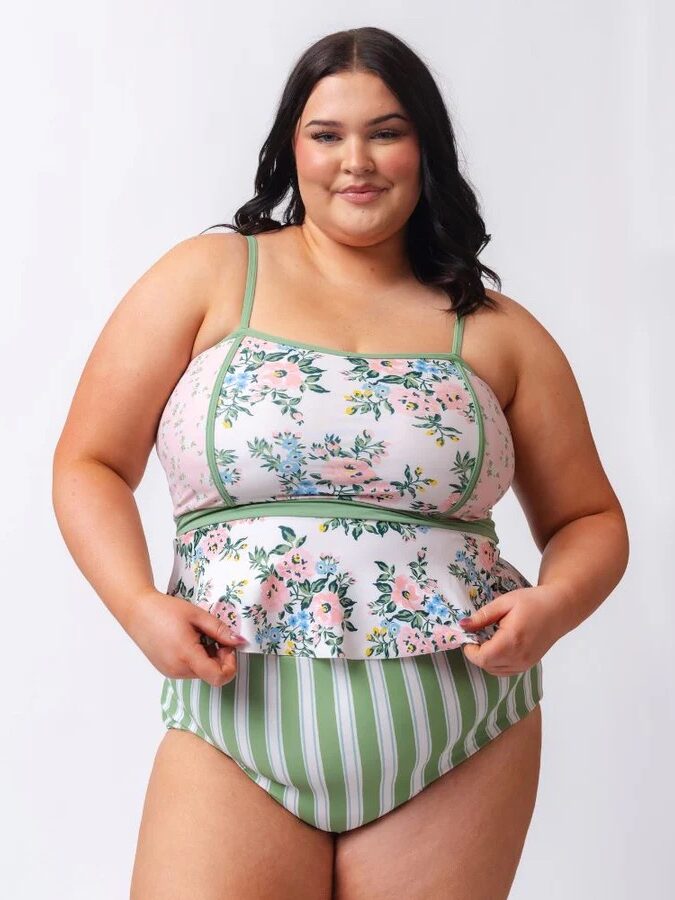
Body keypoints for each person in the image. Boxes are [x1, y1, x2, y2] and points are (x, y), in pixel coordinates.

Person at [52, 26, 629, 900]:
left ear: (424, 148)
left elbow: (591, 519)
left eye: (386, 132)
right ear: (293, 147)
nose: (355, 161)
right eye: (327, 134)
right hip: (237, 720)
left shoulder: (498, 330)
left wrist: (552, 608)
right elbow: (88, 461)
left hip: (457, 732)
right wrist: (137, 607)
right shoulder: (210, 276)